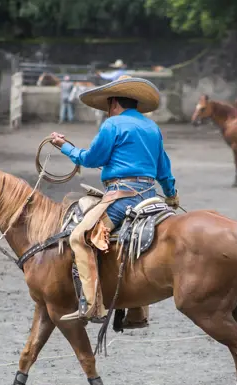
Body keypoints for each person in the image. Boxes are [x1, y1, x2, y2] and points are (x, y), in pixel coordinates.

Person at [50, 77, 179, 322]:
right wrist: (171, 195)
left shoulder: (113, 125)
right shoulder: (153, 127)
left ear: (114, 103)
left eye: (108, 106)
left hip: (122, 196)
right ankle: (136, 310)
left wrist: (64, 146)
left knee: (80, 237)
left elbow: (90, 159)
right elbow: (164, 169)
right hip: (151, 196)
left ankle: (92, 305)